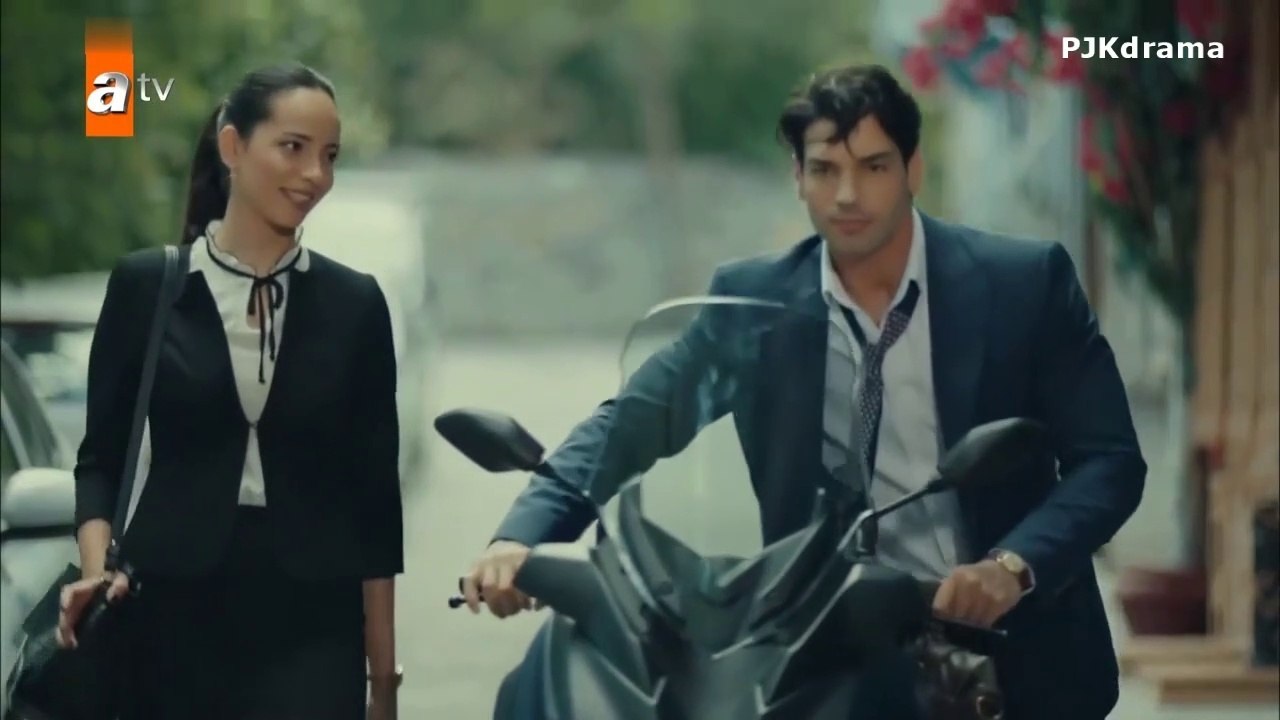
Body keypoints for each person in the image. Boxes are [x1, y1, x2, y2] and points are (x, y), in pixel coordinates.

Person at [462, 64, 1146, 720]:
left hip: (999, 641)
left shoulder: (1023, 284)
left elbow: (1109, 462)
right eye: (824, 169)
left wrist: (1011, 567)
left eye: (873, 167)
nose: (848, 194)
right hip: (824, 649)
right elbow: (630, 424)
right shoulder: (753, 301)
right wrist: (520, 538)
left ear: (912, 170)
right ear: (798, 178)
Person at [56, 63, 405, 720]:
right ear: (232, 146)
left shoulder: (355, 303)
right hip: (168, 613)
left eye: (330, 156)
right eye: (293, 147)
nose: (314, 175)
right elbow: (100, 459)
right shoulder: (148, 286)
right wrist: (97, 573)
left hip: (315, 626)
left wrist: (383, 682)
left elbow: (375, 504)